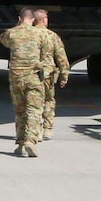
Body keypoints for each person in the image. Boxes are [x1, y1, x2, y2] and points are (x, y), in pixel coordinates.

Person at [0, 7, 48, 157]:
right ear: (33, 20)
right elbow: (45, 55)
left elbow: (3, 40)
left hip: (16, 77)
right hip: (33, 77)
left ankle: (20, 143)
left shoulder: (11, 33)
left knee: (20, 111)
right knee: (34, 109)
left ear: (19, 18)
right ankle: (30, 141)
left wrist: (17, 28)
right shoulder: (39, 34)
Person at [32, 9, 69, 140]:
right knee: (48, 100)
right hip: (48, 73)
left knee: (33, 102)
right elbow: (61, 57)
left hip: (31, 73)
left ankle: (35, 130)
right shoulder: (52, 35)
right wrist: (64, 75)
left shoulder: (29, 34)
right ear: (44, 20)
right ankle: (47, 129)